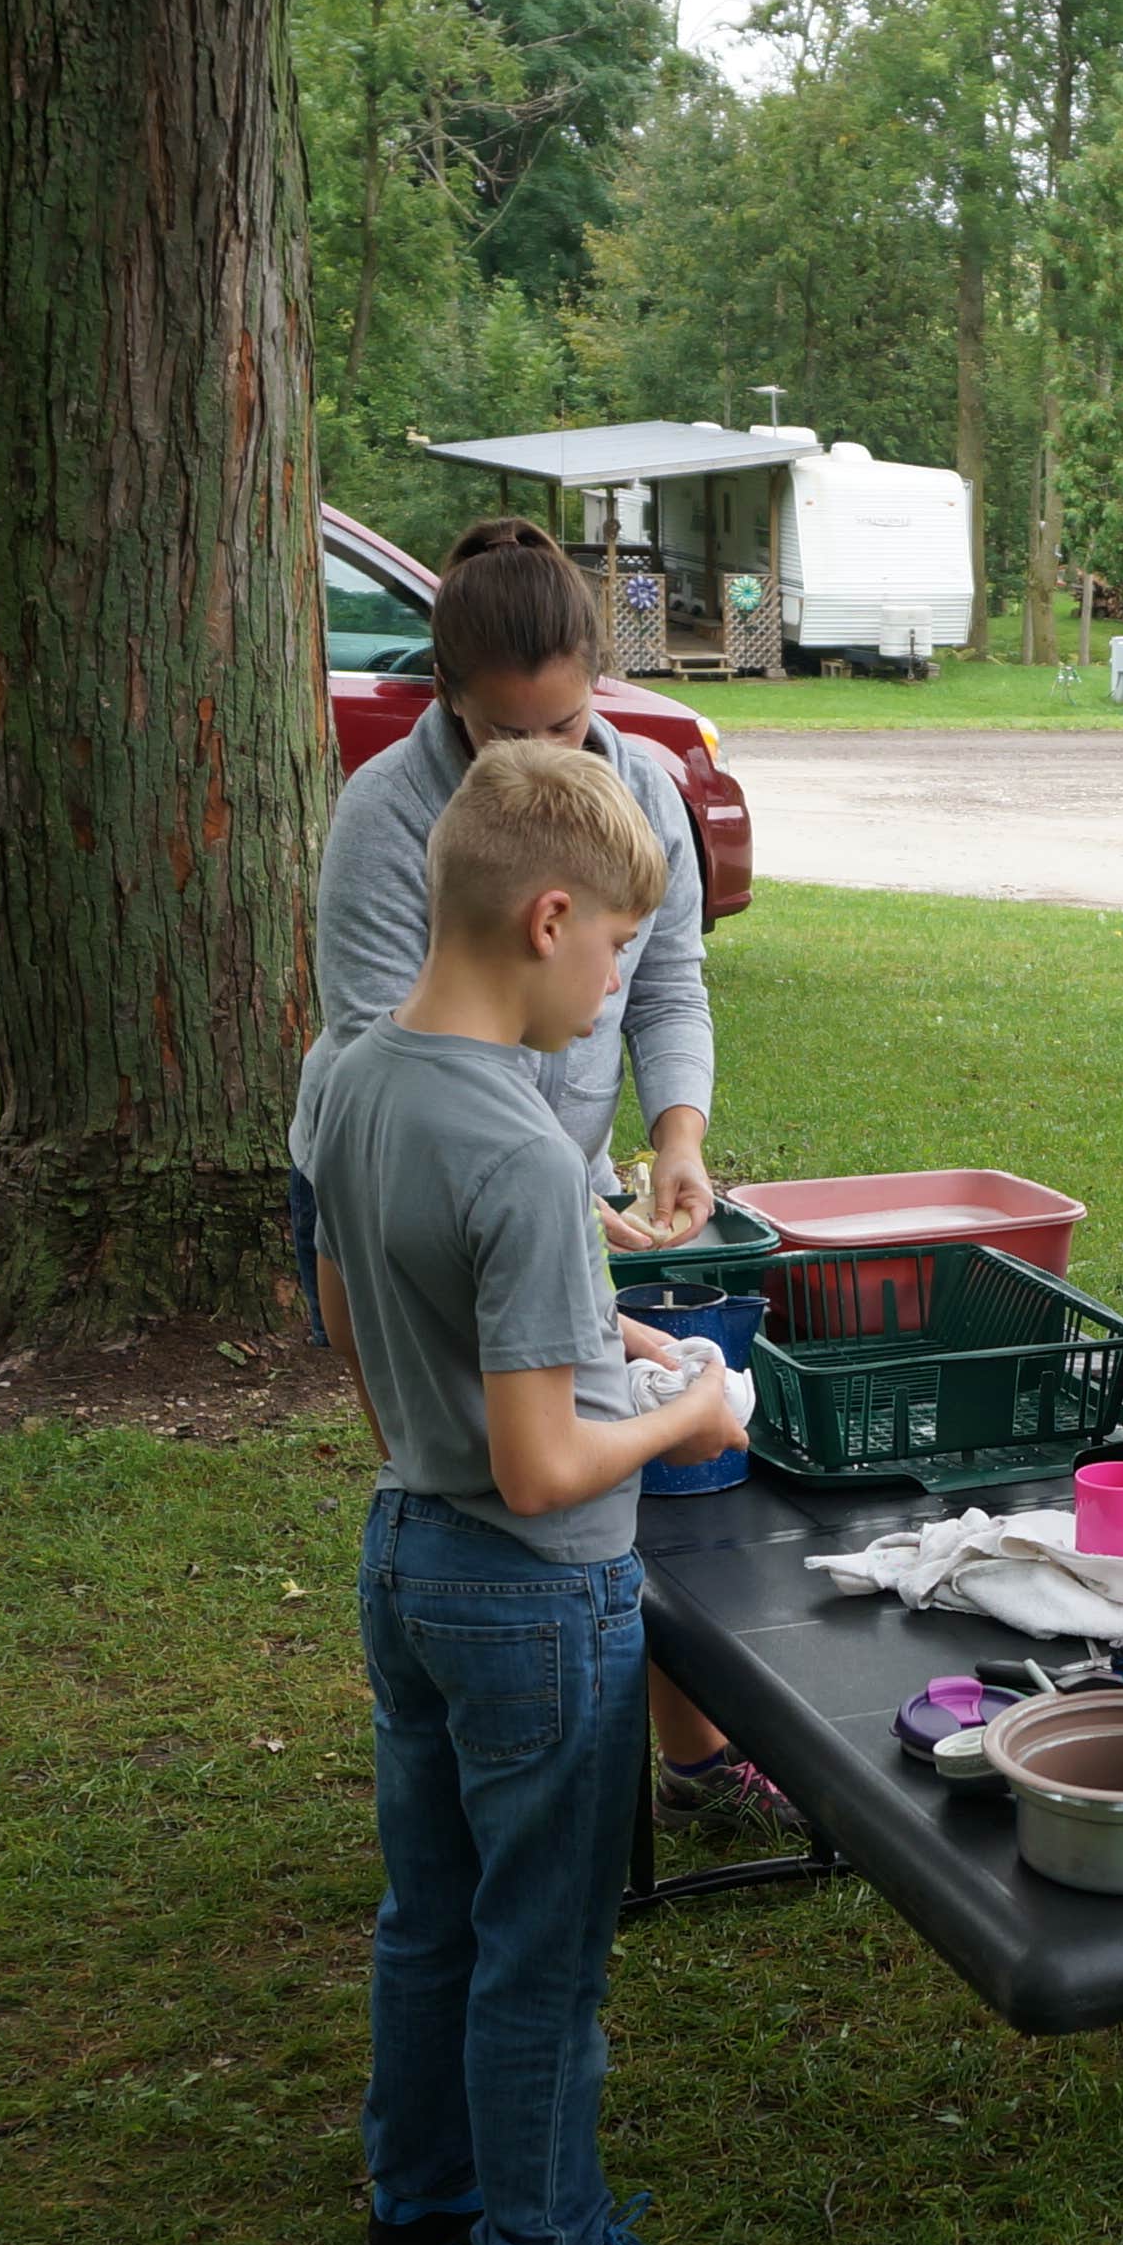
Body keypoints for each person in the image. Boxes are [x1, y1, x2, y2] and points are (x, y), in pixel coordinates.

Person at [314, 740, 750, 2245]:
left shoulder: (359, 1073)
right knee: (543, 1951)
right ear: (549, 918)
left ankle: (417, 2193)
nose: (622, 984)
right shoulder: (514, 1140)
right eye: (622, 949)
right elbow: (545, 1453)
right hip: (532, 1586)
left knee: (430, 1910)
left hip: (408, 1547)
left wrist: (603, 1323)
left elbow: (358, 1298)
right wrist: (687, 1409)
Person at [295, 518, 792, 1846]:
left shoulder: (636, 793)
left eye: (568, 727)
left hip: (537, 1181)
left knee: (538, 1466)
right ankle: (500, 1724)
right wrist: (553, 1198)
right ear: (447, 704)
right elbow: (379, 1055)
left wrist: (673, 1135)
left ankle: (663, 1749)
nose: (545, 762)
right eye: (510, 737)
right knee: (471, 1487)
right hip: (416, 1185)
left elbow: (669, 977)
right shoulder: (385, 820)